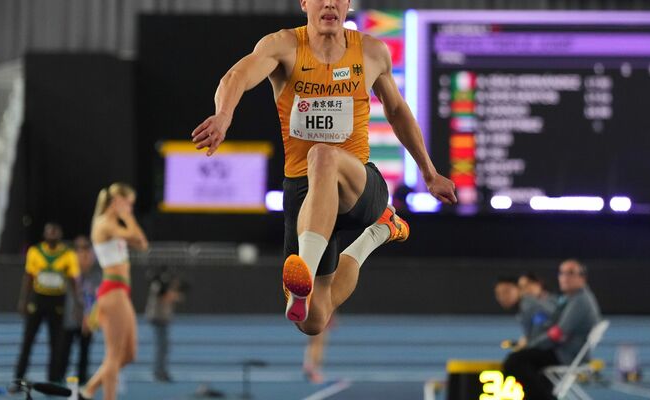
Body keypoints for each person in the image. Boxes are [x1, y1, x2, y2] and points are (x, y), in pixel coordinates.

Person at [191, 0, 456, 336]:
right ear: (304, 3)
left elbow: (397, 111)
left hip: (358, 186)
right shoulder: (284, 46)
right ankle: (379, 231)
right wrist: (223, 115)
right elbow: (236, 75)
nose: (329, 2)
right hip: (304, 193)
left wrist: (429, 173)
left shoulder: (371, 52)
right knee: (312, 321)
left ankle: (305, 265)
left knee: (323, 155)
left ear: (348, 4)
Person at [80, 183, 148, 400]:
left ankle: (88, 390)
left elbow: (142, 244)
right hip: (112, 291)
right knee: (114, 355)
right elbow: (134, 234)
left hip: (121, 291)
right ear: (116, 201)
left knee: (129, 354)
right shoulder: (104, 224)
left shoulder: (114, 225)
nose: (130, 208)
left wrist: (127, 217)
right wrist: (127, 217)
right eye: (128, 203)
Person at [503, 260, 601, 400]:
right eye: (561, 273)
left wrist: (532, 345)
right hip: (563, 352)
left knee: (514, 361)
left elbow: (558, 333)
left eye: (570, 273)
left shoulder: (580, 301)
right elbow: (552, 326)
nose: (565, 277)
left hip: (566, 355)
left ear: (582, 278)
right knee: (534, 372)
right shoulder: (570, 299)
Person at [15, 223, 81, 383]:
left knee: (56, 343)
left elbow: (74, 281)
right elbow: (28, 277)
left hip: (57, 301)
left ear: (60, 235)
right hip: (38, 299)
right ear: (44, 234)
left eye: (55, 231)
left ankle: (53, 379)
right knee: (28, 340)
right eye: (49, 231)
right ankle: (19, 377)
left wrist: (77, 303)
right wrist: (23, 300)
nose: (52, 234)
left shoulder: (68, 254)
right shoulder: (35, 252)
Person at [57, 236, 100, 383]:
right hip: (70, 318)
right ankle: (59, 376)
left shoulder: (96, 274)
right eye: (79, 249)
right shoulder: (68, 271)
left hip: (88, 319)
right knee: (64, 349)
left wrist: (90, 317)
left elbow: (95, 297)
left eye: (85, 249)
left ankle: (82, 377)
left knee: (85, 350)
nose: (83, 254)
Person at [494, 276, 556, 351]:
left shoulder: (528, 305)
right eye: (498, 294)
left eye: (507, 291)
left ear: (519, 289)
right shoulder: (525, 306)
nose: (502, 297)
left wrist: (528, 343)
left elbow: (544, 325)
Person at [145, 265, 184, 383]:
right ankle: (159, 371)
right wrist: (176, 292)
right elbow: (166, 296)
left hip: (160, 318)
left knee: (163, 347)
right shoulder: (160, 285)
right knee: (162, 347)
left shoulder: (159, 284)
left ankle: (160, 370)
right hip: (158, 318)